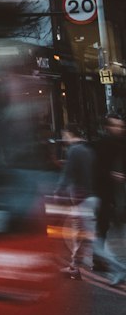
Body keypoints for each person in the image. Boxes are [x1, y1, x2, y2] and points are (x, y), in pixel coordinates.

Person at [55, 123, 97, 279]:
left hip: (80, 198)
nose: (64, 138)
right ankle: (75, 266)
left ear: (69, 133)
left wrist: (58, 191)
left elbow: (67, 174)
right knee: (80, 233)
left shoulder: (74, 150)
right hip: (89, 196)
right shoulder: (88, 149)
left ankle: (112, 264)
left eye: (64, 135)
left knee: (82, 233)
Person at [92, 114, 126, 286]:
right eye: (115, 126)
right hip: (106, 195)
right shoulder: (102, 145)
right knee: (102, 228)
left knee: (119, 229)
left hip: (120, 196)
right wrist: (111, 175)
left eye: (121, 126)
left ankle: (115, 265)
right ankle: (101, 261)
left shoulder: (121, 144)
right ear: (107, 127)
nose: (118, 129)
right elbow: (97, 170)